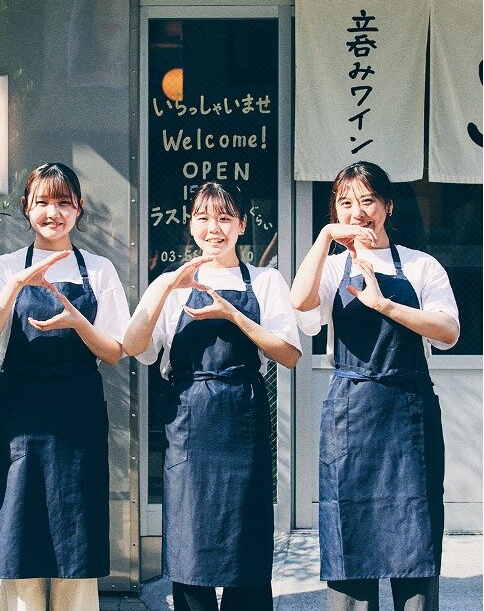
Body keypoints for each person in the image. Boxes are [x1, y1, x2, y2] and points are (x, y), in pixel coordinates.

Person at [290, 161, 459, 611]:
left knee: (416, 538)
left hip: (408, 413)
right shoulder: (330, 267)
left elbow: (447, 330)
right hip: (351, 414)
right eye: (346, 202)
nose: (358, 212)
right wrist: (326, 238)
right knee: (350, 540)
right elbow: (299, 302)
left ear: (387, 205)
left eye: (367, 200)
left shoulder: (421, 265)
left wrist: (384, 303)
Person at [124, 182, 301, 611]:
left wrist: (232, 314)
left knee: (247, 548)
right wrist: (165, 288)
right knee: (190, 550)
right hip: (189, 420)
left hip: (243, 418)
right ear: (191, 224)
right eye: (203, 217)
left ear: (241, 224)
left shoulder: (265, 280)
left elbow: (289, 353)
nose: (214, 228)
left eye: (224, 218)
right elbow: (133, 345)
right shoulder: (170, 283)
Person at [0, 163, 130, 611]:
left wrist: (78, 321)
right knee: (19, 531)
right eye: (42, 202)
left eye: (63, 202)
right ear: (26, 208)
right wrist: (18, 285)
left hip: (76, 415)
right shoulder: (6, 267)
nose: (53, 213)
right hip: (20, 416)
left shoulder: (97, 269)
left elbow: (115, 350)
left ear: (78, 210)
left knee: (74, 534)